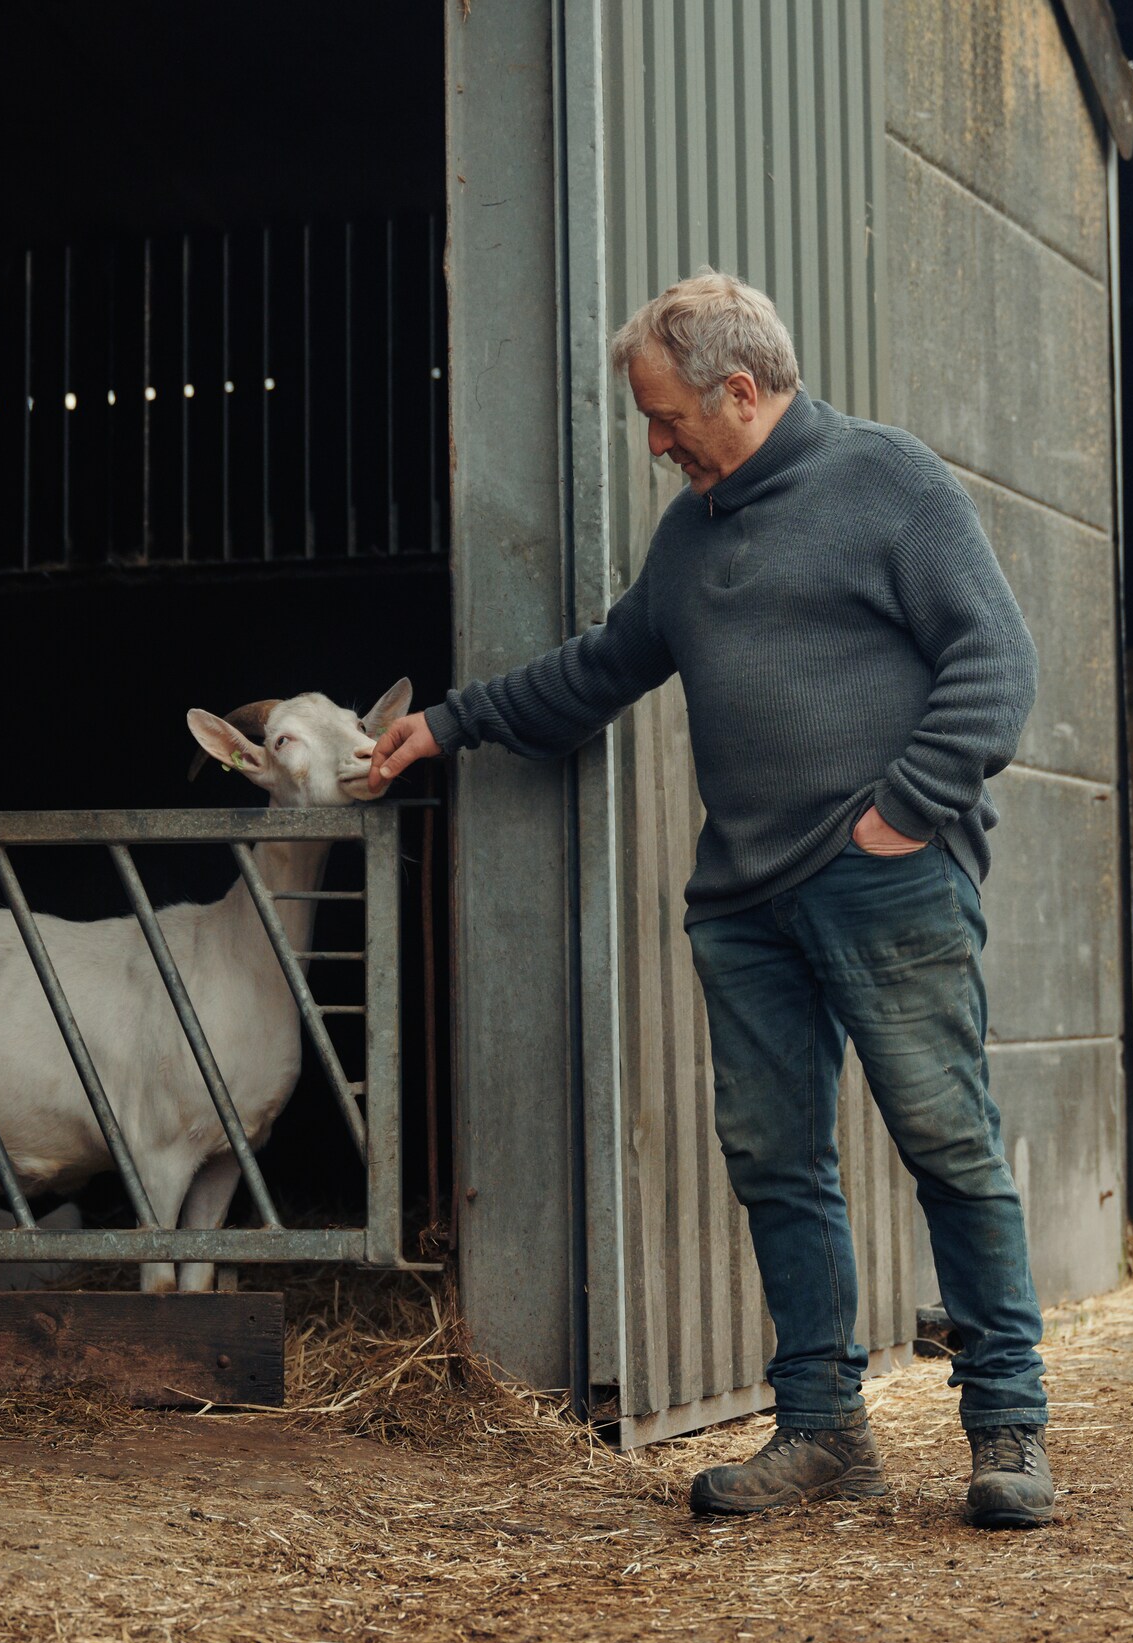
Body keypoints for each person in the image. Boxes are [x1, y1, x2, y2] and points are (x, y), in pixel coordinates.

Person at [370, 270, 1053, 1527]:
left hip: (883, 881)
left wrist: (898, 815)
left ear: (739, 391)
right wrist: (448, 725)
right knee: (773, 1162)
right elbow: (606, 665)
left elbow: (993, 662)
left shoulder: (887, 482)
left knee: (945, 1145)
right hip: (743, 903)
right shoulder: (691, 534)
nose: (653, 441)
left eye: (666, 414)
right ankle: (821, 1433)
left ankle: (1005, 1427)